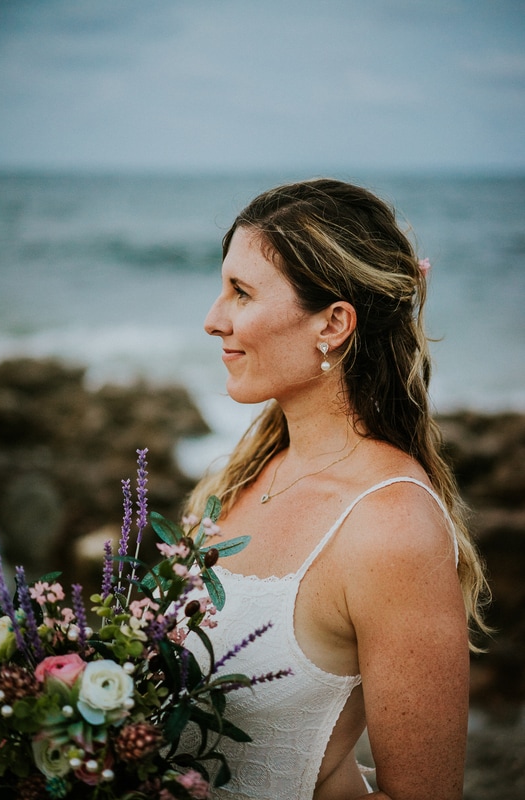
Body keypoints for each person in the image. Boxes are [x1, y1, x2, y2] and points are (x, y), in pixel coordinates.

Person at [183, 179, 489, 800]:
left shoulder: (390, 525)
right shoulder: (240, 477)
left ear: (334, 323)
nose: (214, 320)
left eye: (240, 292)